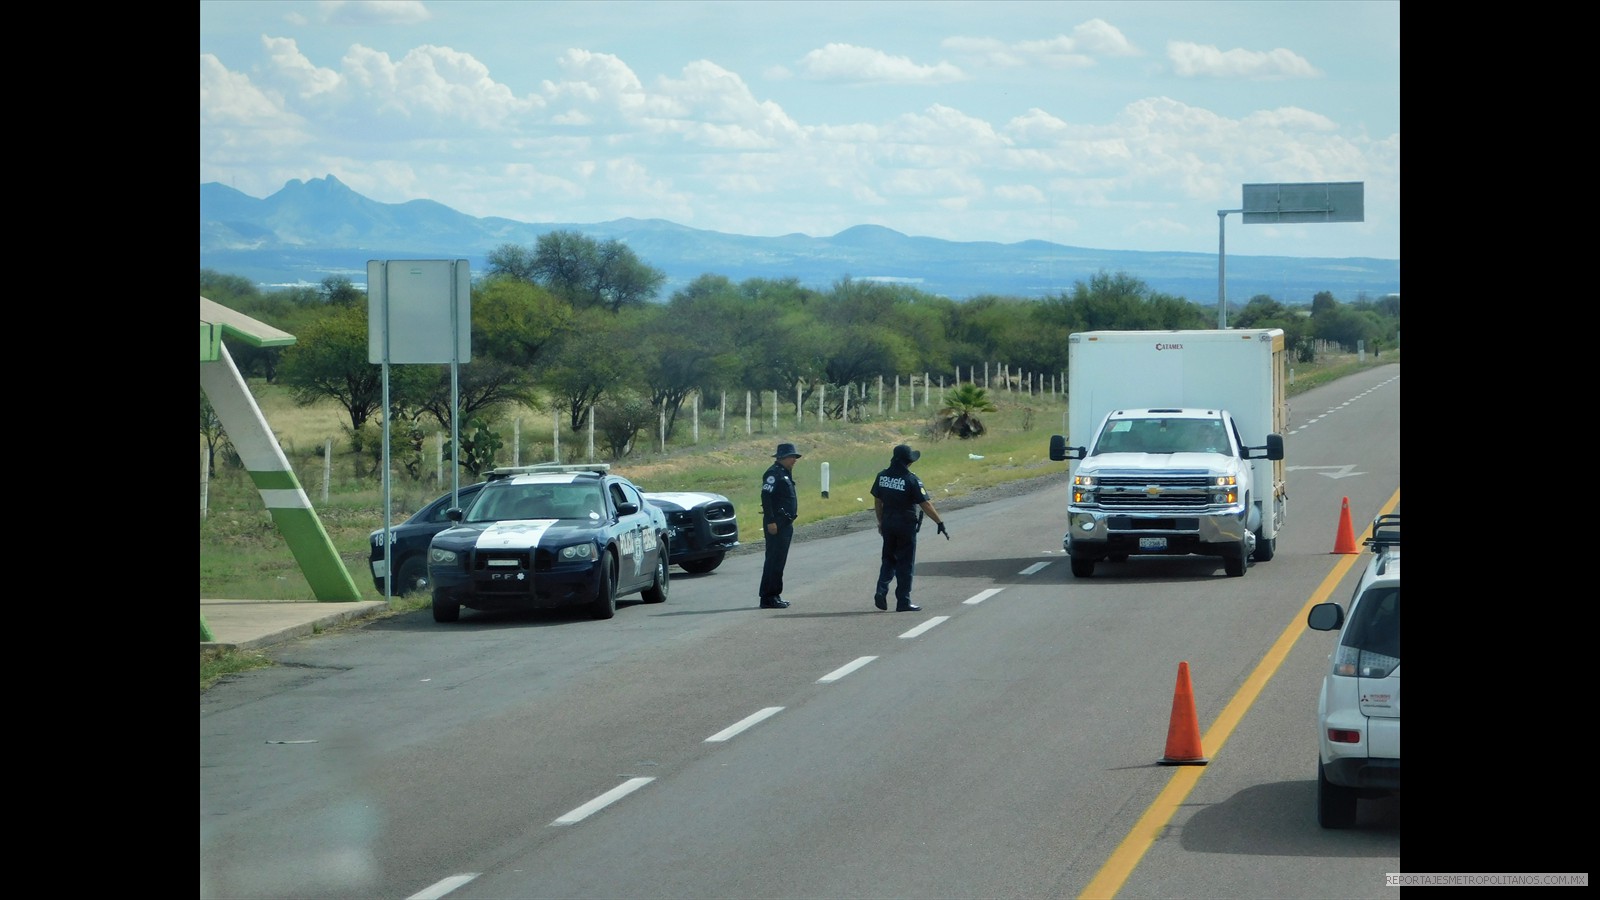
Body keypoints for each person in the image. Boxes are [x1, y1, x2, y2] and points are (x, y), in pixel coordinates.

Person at [870, 443, 946, 612]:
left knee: (888, 559)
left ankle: (881, 590)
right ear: (907, 462)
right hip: (905, 525)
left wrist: (881, 521)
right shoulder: (911, 479)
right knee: (905, 563)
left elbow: (877, 500)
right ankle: (903, 601)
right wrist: (939, 522)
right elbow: (925, 503)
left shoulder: (882, 476)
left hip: (888, 523)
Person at [758, 442, 802, 609]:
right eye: (792, 457)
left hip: (785, 523)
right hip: (776, 523)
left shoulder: (784, 473)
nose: (794, 460)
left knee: (779, 561)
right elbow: (766, 497)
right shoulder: (773, 473)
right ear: (782, 458)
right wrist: (770, 521)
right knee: (774, 560)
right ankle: (769, 597)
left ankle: (774, 594)